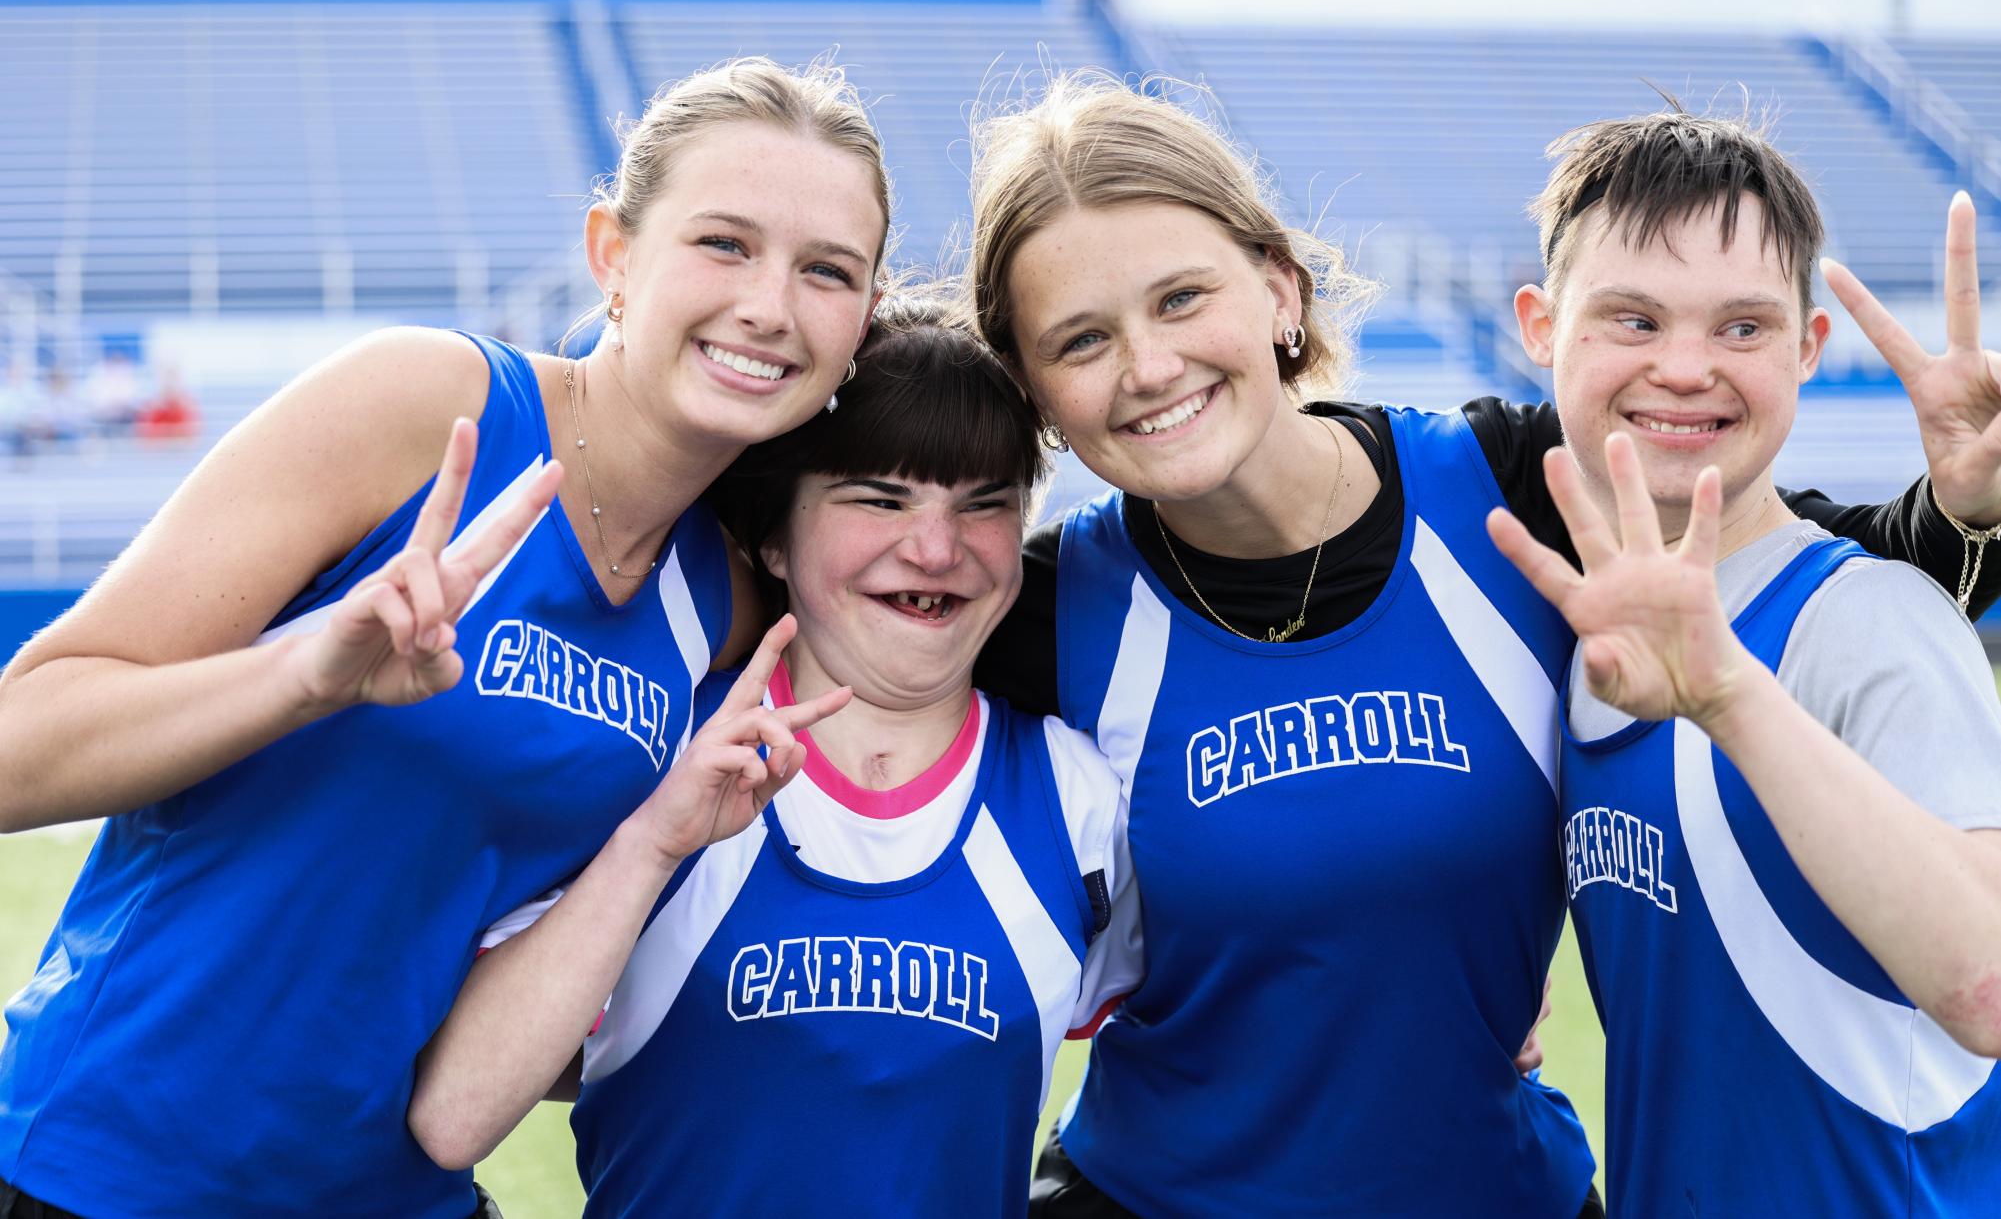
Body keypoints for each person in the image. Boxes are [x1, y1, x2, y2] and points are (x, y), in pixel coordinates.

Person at [963, 72, 2001, 1218]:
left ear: (1279, 291)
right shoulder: (1041, 611)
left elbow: (1780, 555)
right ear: (1033, 391)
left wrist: (1968, 508)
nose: (1149, 365)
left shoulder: (1513, 493)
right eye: (1082, 337)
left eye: (1180, 299)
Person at [0, 56, 889, 1219]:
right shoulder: (432, 409)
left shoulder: (728, 605)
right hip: (108, 1173)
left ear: (863, 319)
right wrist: (302, 676)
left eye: (827, 271)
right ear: (612, 255)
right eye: (724, 243)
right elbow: (22, 742)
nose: (770, 304)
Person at [405, 301, 1138, 1218]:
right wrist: (649, 849)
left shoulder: (1082, 804)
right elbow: (454, 1116)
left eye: (983, 503)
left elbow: (1202, 1056)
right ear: (770, 538)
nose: (937, 548)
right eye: (879, 498)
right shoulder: (651, 754)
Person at [1488, 110, 2001, 1215]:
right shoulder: (1577, 640)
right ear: (1541, 325)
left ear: (1808, 348)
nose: (1685, 368)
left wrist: (1728, 691)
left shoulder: (1872, 621)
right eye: (1633, 317)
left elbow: (1988, 987)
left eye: (1742, 327)